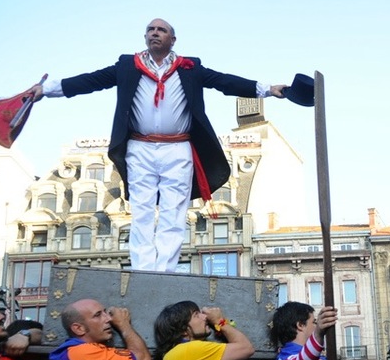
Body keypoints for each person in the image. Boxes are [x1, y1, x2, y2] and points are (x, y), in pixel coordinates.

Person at [28, 18, 288, 272]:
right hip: (139, 148)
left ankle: (164, 272)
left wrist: (266, 89)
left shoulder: (189, 68)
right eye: (150, 29)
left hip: (178, 148)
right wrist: (47, 89)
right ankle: (143, 271)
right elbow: (91, 80)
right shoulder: (128, 65)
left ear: (172, 39)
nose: (155, 33)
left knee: (174, 212)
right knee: (140, 210)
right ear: (145, 37)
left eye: (161, 30)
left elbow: (225, 82)